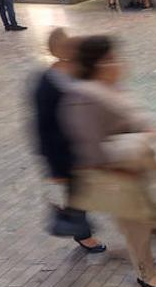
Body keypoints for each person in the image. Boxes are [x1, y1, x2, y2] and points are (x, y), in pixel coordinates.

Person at [61, 36, 156, 287]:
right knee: (136, 230)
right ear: (98, 64)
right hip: (117, 177)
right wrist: (136, 141)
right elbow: (93, 147)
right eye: (111, 59)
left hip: (132, 171)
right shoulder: (85, 97)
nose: (118, 63)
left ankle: (146, 269)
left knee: (141, 225)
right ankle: (148, 276)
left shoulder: (109, 88)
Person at [32, 29, 107, 253]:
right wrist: (55, 166)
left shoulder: (76, 72)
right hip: (64, 151)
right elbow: (43, 126)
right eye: (67, 46)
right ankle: (82, 233)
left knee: (85, 188)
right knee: (78, 191)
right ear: (56, 50)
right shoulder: (46, 83)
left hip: (83, 144)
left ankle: (81, 228)